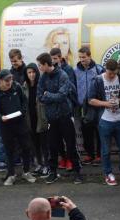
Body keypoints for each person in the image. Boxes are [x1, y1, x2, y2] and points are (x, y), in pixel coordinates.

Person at [87, 59, 120, 186]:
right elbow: (90, 100)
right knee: (105, 150)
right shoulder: (97, 80)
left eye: (114, 74)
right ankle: (108, 173)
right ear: (105, 70)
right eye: (109, 74)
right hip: (104, 120)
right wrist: (106, 103)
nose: (112, 76)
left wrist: (119, 100)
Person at [37, 53, 83, 184]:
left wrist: (48, 95)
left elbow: (62, 95)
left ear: (46, 64)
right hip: (51, 118)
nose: (39, 67)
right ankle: (53, 172)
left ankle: (77, 172)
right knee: (52, 146)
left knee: (71, 145)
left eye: (40, 65)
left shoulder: (63, 75)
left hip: (65, 116)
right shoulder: (43, 78)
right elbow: (40, 96)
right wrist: (50, 96)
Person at [0, 70, 36, 186]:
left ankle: (26, 172)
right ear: (0, 80)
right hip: (6, 125)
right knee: (9, 151)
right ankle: (11, 175)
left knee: (26, 147)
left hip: (20, 123)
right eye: (6, 80)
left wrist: (22, 112)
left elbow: (24, 102)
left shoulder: (17, 87)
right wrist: (1, 117)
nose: (9, 82)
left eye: (10, 79)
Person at [75, 46, 104, 165]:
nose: (82, 59)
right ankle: (89, 155)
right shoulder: (75, 71)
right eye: (80, 57)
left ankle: (99, 155)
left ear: (90, 56)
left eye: (84, 57)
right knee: (86, 131)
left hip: (97, 104)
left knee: (99, 130)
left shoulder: (98, 69)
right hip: (83, 106)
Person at [50, 47, 77, 170]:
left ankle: (71, 159)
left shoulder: (68, 69)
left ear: (60, 58)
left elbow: (70, 87)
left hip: (67, 107)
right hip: (55, 109)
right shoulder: (49, 71)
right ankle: (63, 158)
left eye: (55, 58)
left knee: (69, 137)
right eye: (52, 59)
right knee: (57, 138)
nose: (53, 61)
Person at [24, 63, 52, 179]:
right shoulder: (24, 85)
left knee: (44, 144)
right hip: (30, 119)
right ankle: (39, 164)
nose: (32, 75)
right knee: (34, 144)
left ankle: (47, 165)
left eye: (34, 72)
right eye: (29, 72)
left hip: (42, 118)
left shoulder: (42, 84)